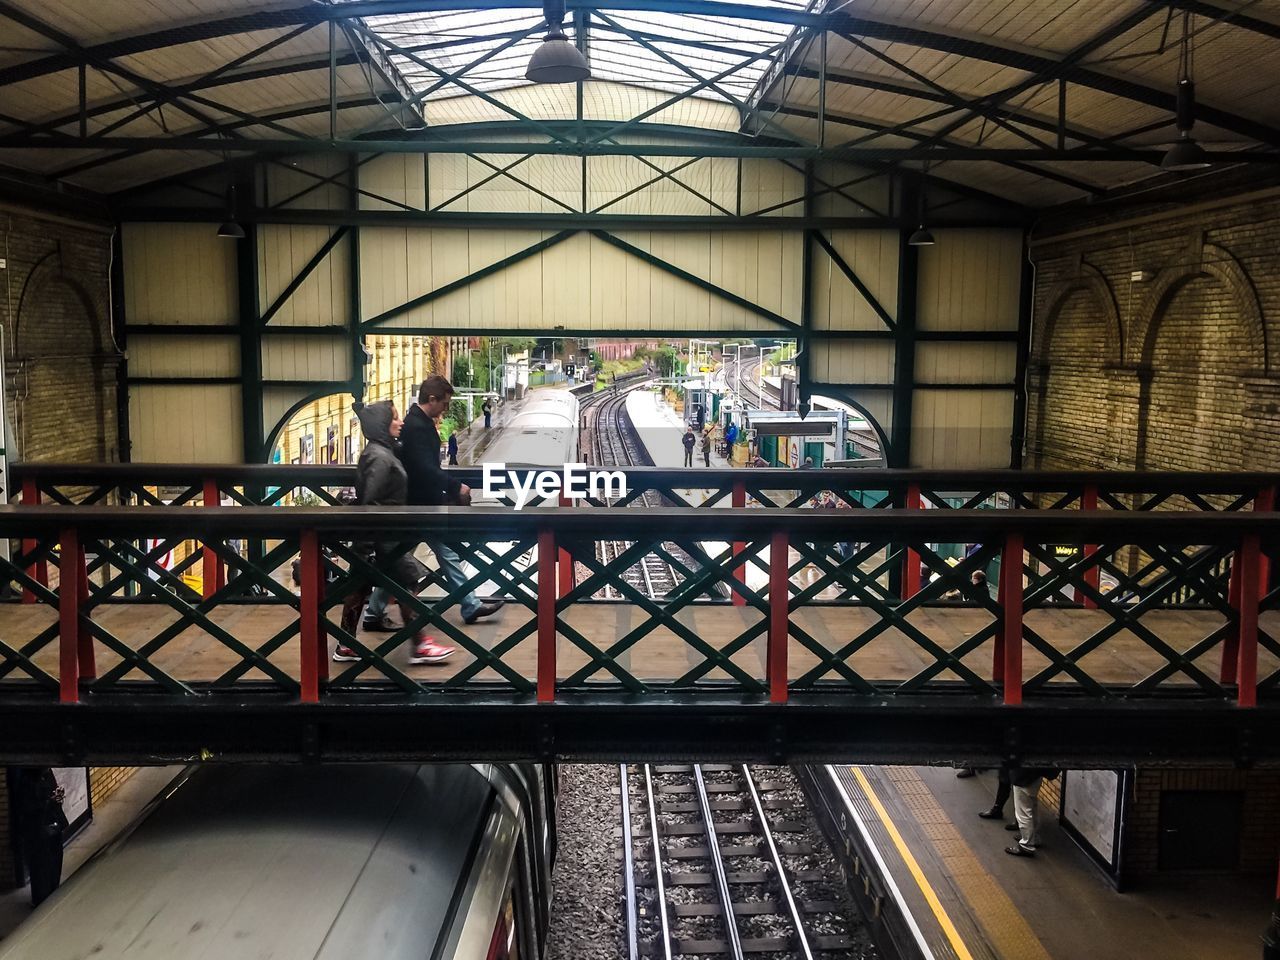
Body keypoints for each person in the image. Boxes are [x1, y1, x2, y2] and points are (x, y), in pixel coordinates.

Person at [333, 401, 453, 665]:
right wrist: (371, 543)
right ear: (382, 426)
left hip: (377, 536)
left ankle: (346, 644)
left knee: (362, 588)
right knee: (406, 582)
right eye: (395, 418)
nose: (400, 422)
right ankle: (420, 644)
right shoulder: (379, 456)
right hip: (383, 537)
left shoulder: (380, 451)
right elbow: (372, 501)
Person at [403, 375, 503, 626]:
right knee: (407, 558)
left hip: (421, 504)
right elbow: (424, 468)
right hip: (420, 506)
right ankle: (469, 605)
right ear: (432, 399)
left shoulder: (417, 423)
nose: (446, 410)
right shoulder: (417, 426)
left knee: (408, 557)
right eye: (445, 404)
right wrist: (455, 485)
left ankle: (470, 605)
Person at [12, 766, 67, 906]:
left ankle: (53, 891)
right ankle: (42, 899)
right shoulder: (27, 782)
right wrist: (50, 802)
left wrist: (56, 798)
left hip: (52, 828)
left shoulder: (47, 775)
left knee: (54, 863)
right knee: (41, 868)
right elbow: (28, 809)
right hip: (38, 832)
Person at [1005, 765, 1059, 857]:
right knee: (1031, 807)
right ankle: (1034, 837)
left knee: (1023, 812)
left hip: (1024, 775)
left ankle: (1026, 845)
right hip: (1035, 774)